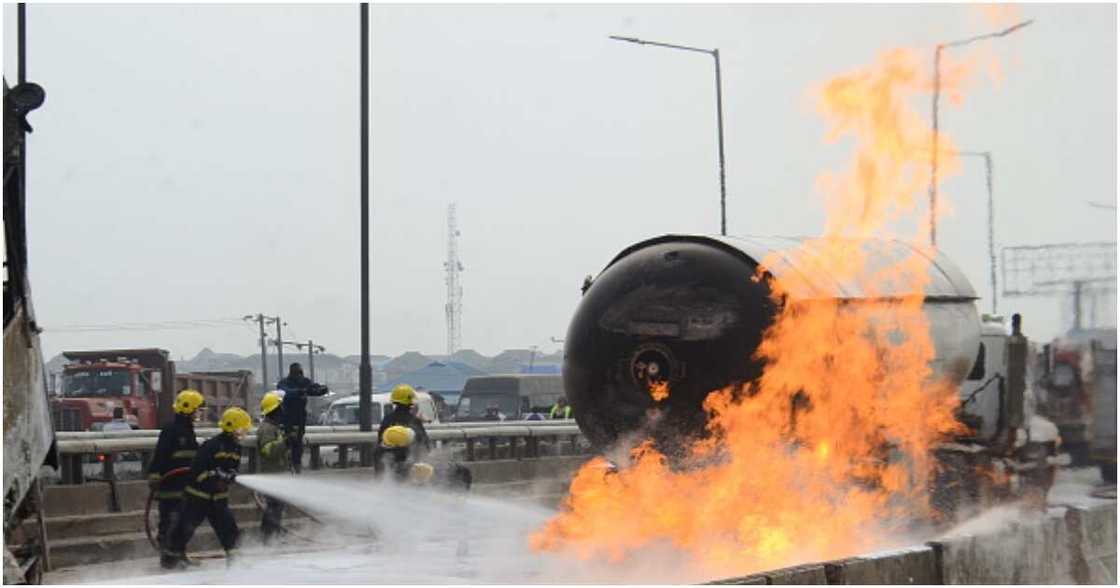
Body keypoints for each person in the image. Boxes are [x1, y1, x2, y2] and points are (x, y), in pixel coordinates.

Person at [162, 407, 250, 569]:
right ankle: (171, 560)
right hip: (197, 497)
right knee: (184, 528)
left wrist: (229, 476)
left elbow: (233, 468)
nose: (243, 433)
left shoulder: (236, 448)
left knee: (229, 529)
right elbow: (196, 471)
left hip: (218, 499)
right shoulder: (212, 445)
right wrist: (212, 477)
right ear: (231, 427)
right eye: (241, 429)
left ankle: (236, 561)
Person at [146, 390, 203, 553]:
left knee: (182, 523)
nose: (197, 414)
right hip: (170, 487)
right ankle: (168, 556)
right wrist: (155, 475)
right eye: (196, 410)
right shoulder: (171, 430)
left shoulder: (188, 431)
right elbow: (160, 454)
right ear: (188, 409)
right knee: (169, 522)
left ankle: (178, 554)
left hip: (184, 487)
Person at [277, 363, 328, 473]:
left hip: (300, 418)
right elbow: (284, 392)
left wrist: (321, 389)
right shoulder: (284, 383)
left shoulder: (305, 381)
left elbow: (314, 389)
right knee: (287, 443)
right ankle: (285, 467)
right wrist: (300, 391)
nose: (298, 376)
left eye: (299, 373)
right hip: (287, 419)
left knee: (298, 445)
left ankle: (297, 467)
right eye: (296, 373)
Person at [373, 385, 430, 479]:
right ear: (410, 402)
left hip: (387, 463)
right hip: (408, 465)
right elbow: (424, 444)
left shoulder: (387, 419)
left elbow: (380, 440)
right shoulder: (414, 420)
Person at [256, 391, 290, 544]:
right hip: (271, 475)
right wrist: (285, 443)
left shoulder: (275, 427)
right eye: (280, 407)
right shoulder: (267, 429)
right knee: (273, 507)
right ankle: (267, 538)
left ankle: (272, 536)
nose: (283, 411)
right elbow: (267, 450)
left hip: (278, 474)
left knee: (277, 508)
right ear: (274, 410)